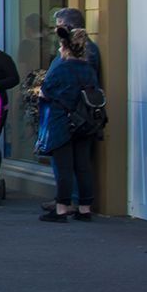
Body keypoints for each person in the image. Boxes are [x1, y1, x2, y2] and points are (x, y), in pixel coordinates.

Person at [36, 21, 102, 221]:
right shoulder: (89, 70)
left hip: (61, 122)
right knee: (82, 167)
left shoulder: (61, 69)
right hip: (85, 123)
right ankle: (85, 209)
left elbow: (45, 92)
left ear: (65, 47)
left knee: (64, 168)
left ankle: (62, 209)